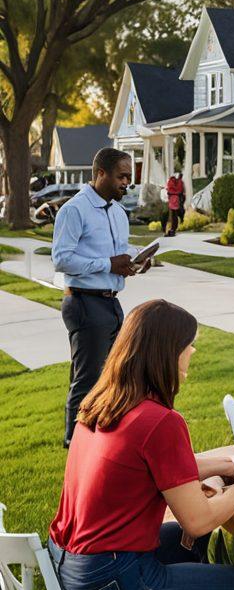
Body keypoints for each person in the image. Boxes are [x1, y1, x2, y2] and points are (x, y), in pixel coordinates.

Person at [48, 299, 234, 590]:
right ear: (167, 352)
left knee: (183, 540)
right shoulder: (160, 421)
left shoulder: (100, 404)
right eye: (189, 343)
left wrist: (227, 467)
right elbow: (200, 520)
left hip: (72, 578)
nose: (193, 349)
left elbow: (156, 469)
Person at [52, 147, 151, 447]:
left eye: (129, 177)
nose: (126, 183)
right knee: (87, 379)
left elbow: (118, 250)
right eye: (121, 176)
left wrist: (137, 258)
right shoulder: (75, 210)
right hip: (84, 302)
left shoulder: (118, 213)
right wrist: (109, 264)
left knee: (113, 376)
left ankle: (102, 438)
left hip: (111, 301)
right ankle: (76, 443)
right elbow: (62, 259)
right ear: (100, 174)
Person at [165, 171, 186, 236]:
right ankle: (173, 229)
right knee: (175, 215)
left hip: (172, 200)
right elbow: (180, 190)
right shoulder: (180, 182)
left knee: (173, 215)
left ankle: (172, 229)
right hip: (177, 200)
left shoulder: (171, 181)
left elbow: (169, 190)